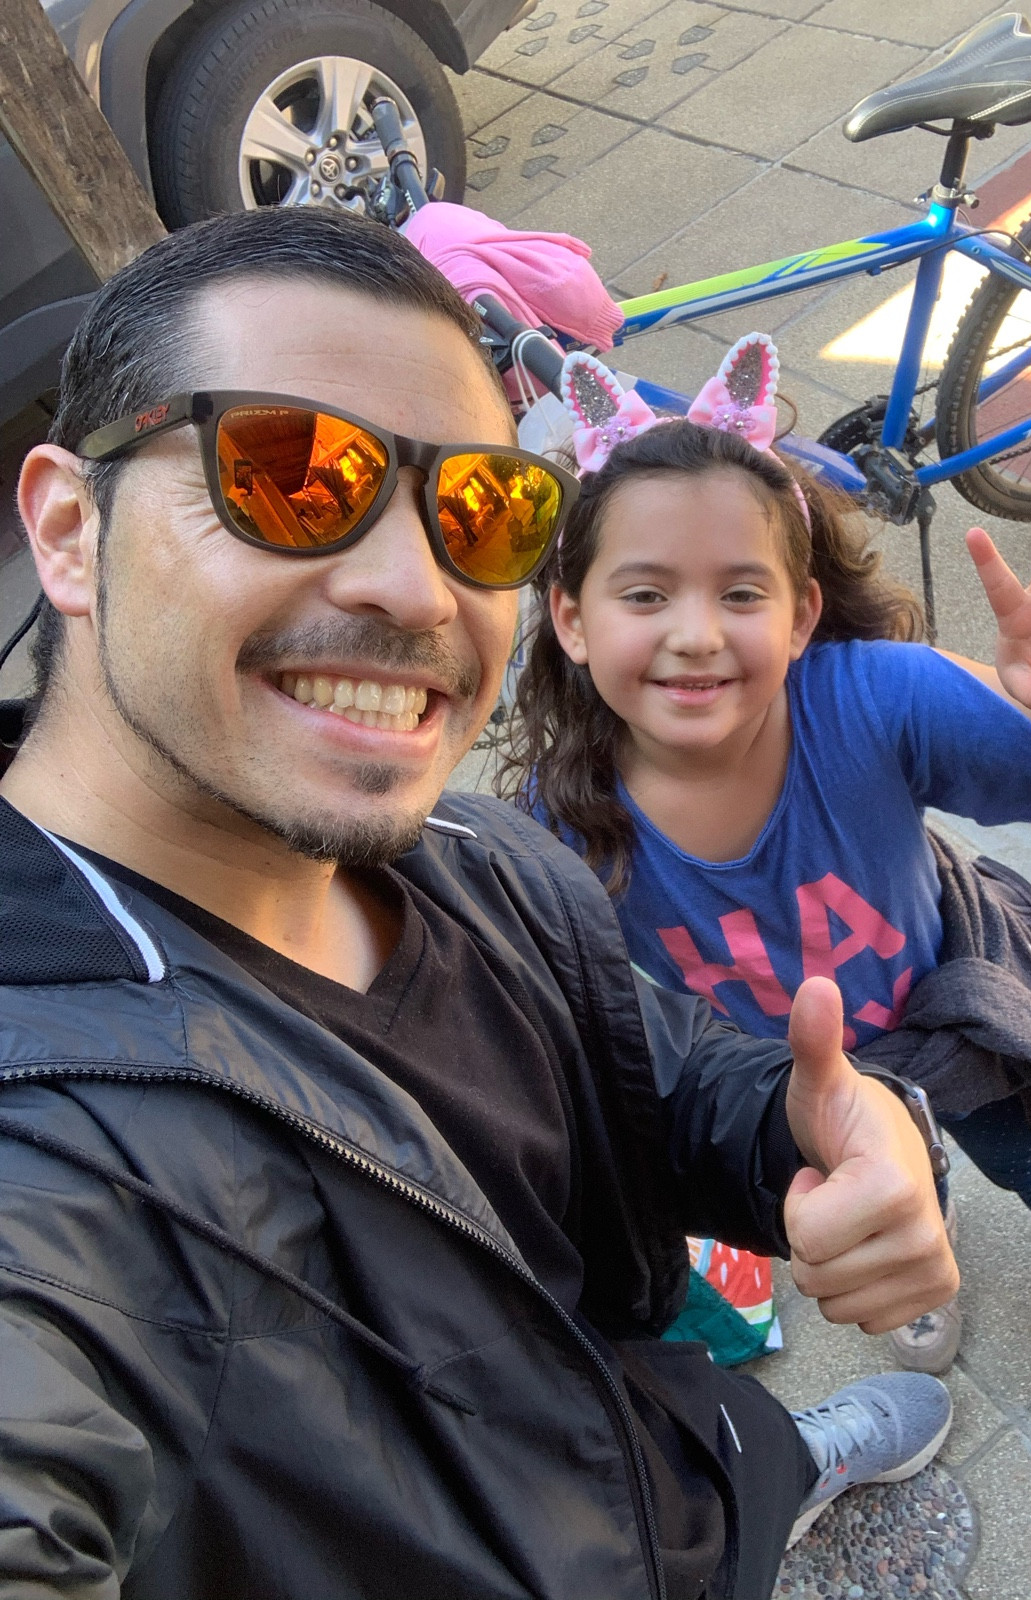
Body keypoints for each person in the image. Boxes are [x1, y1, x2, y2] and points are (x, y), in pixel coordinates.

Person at [0, 209, 959, 1600]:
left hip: (657, 1463)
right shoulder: (47, 1163)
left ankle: (774, 1472)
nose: (417, 590)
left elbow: (635, 1071)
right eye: (290, 473)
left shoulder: (462, 846)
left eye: (483, 511)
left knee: (726, 1472)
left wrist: (818, 1128)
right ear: (68, 529)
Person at [503, 334, 1031, 1429]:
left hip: (949, 1020)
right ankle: (921, 1259)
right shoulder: (561, 822)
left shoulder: (871, 699)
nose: (695, 635)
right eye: (645, 594)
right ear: (572, 619)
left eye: (740, 592)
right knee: (897, 1192)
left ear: (803, 614)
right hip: (805, 1090)